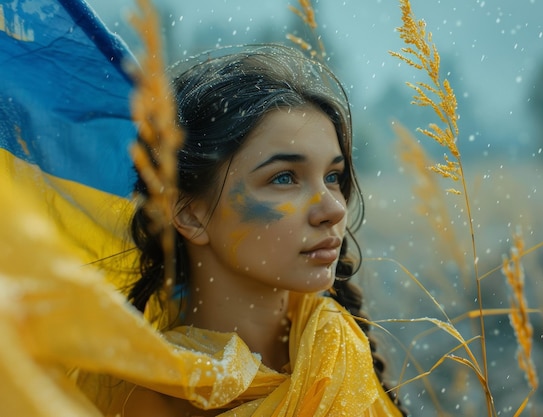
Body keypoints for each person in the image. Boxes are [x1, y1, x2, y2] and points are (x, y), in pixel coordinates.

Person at [77, 44, 405, 416]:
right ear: (189, 215)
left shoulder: (338, 357)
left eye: (333, 176)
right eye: (284, 178)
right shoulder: (150, 401)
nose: (333, 208)